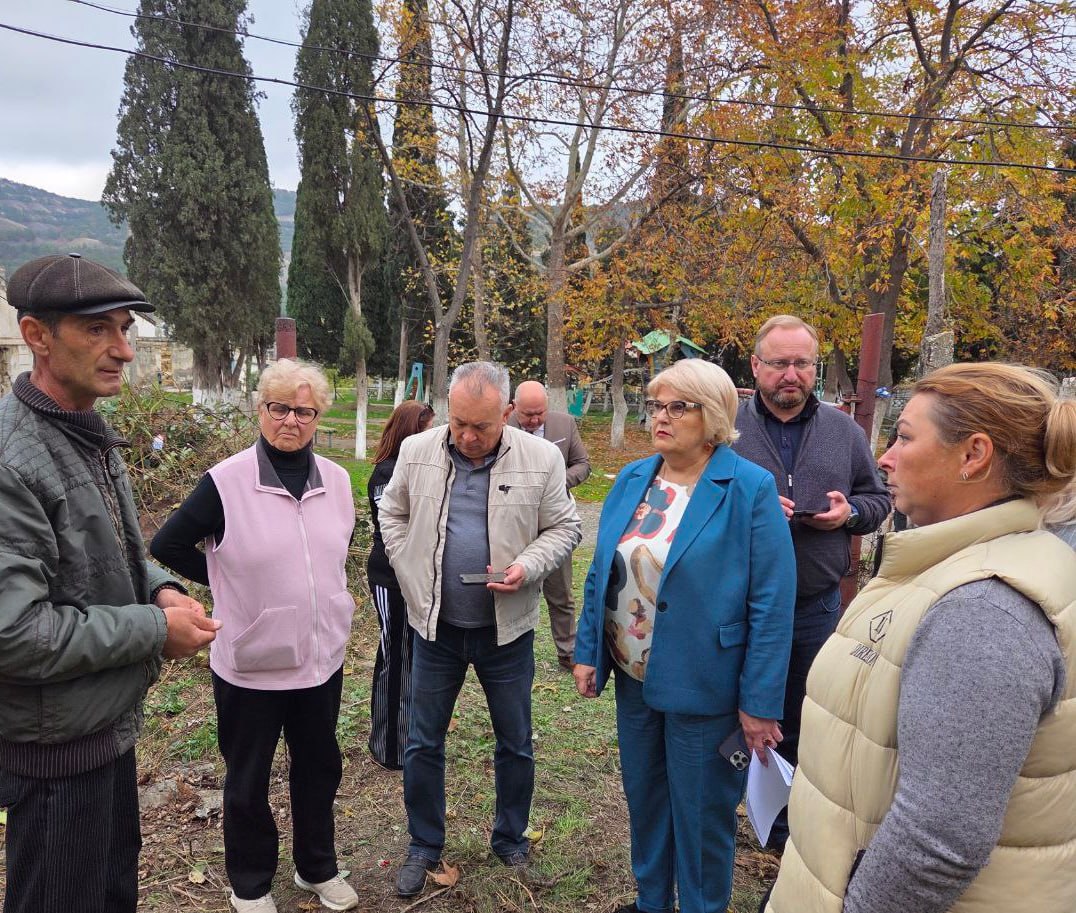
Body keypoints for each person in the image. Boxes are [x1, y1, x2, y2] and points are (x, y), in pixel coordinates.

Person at [764, 363, 1076, 913]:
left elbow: (936, 842)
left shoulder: (981, 610)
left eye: (905, 438)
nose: (885, 458)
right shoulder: (974, 565)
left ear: (973, 455)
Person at [0, 253, 220, 913]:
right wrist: (155, 628)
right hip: (54, 757)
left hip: (102, 732)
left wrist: (158, 588)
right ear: (37, 335)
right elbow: (15, 633)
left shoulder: (82, 431)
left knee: (112, 894)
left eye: (124, 329)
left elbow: (106, 554)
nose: (123, 350)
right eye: (98, 329)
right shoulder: (14, 462)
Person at [574, 358, 797, 913]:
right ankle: (652, 902)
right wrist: (588, 651)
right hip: (635, 679)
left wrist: (759, 702)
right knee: (646, 801)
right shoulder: (634, 478)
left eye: (679, 407)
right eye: (656, 405)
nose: (661, 417)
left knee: (701, 818)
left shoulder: (749, 487)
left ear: (714, 416)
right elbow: (602, 571)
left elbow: (772, 604)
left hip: (706, 685)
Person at [151, 359, 358, 913]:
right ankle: (250, 883)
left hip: (320, 659)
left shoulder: (338, 482)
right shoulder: (226, 482)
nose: (291, 420)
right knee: (248, 779)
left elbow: (331, 557)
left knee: (320, 769)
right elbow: (166, 545)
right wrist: (225, 577)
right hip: (252, 662)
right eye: (279, 408)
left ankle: (318, 867)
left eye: (304, 411)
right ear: (260, 410)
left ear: (318, 416)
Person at [378, 361, 581, 898]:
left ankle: (510, 837)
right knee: (423, 741)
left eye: (482, 426)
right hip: (435, 627)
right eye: (459, 422)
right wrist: (408, 566)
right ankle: (424, 843)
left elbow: (566, 527)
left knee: (515, 741)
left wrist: (527, 566)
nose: (467, 436)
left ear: (508, 413)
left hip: (505, 632)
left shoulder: (541, 458)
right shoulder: (417, 451)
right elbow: (391, 513)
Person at [732, 315, 889, 850]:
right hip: (736, 605)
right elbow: (691, 499)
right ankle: (727, 801)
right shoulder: (726, 427)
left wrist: (849, 515)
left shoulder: (844, 432)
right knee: (732, 709)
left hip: (812, 605)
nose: (791, 374)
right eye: (779, 363)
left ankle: (783, 820)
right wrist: (747, 512)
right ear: (756, 366)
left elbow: (878, 499)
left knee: (801, 714)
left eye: (802, 363)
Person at [366, 399, 434, 770]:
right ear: (410, 433)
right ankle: (390, 747)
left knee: (404, 655)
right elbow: (400, 530)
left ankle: (405, 734)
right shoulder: (388, 473)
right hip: (391, 579)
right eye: (427, 431)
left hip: (414, 577)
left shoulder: (412, 469)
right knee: (396, 660)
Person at [508, 379, 592, 670]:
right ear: (514, 407)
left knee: (561, 593)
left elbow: (583, 464)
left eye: (539, 413)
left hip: (555, 521)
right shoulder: (502, 426)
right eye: (528, 414)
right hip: (514, 521)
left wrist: (555, 483)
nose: (534, 420)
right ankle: (508, 650)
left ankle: (568, 652)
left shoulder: (564, 424)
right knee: (512, 586)